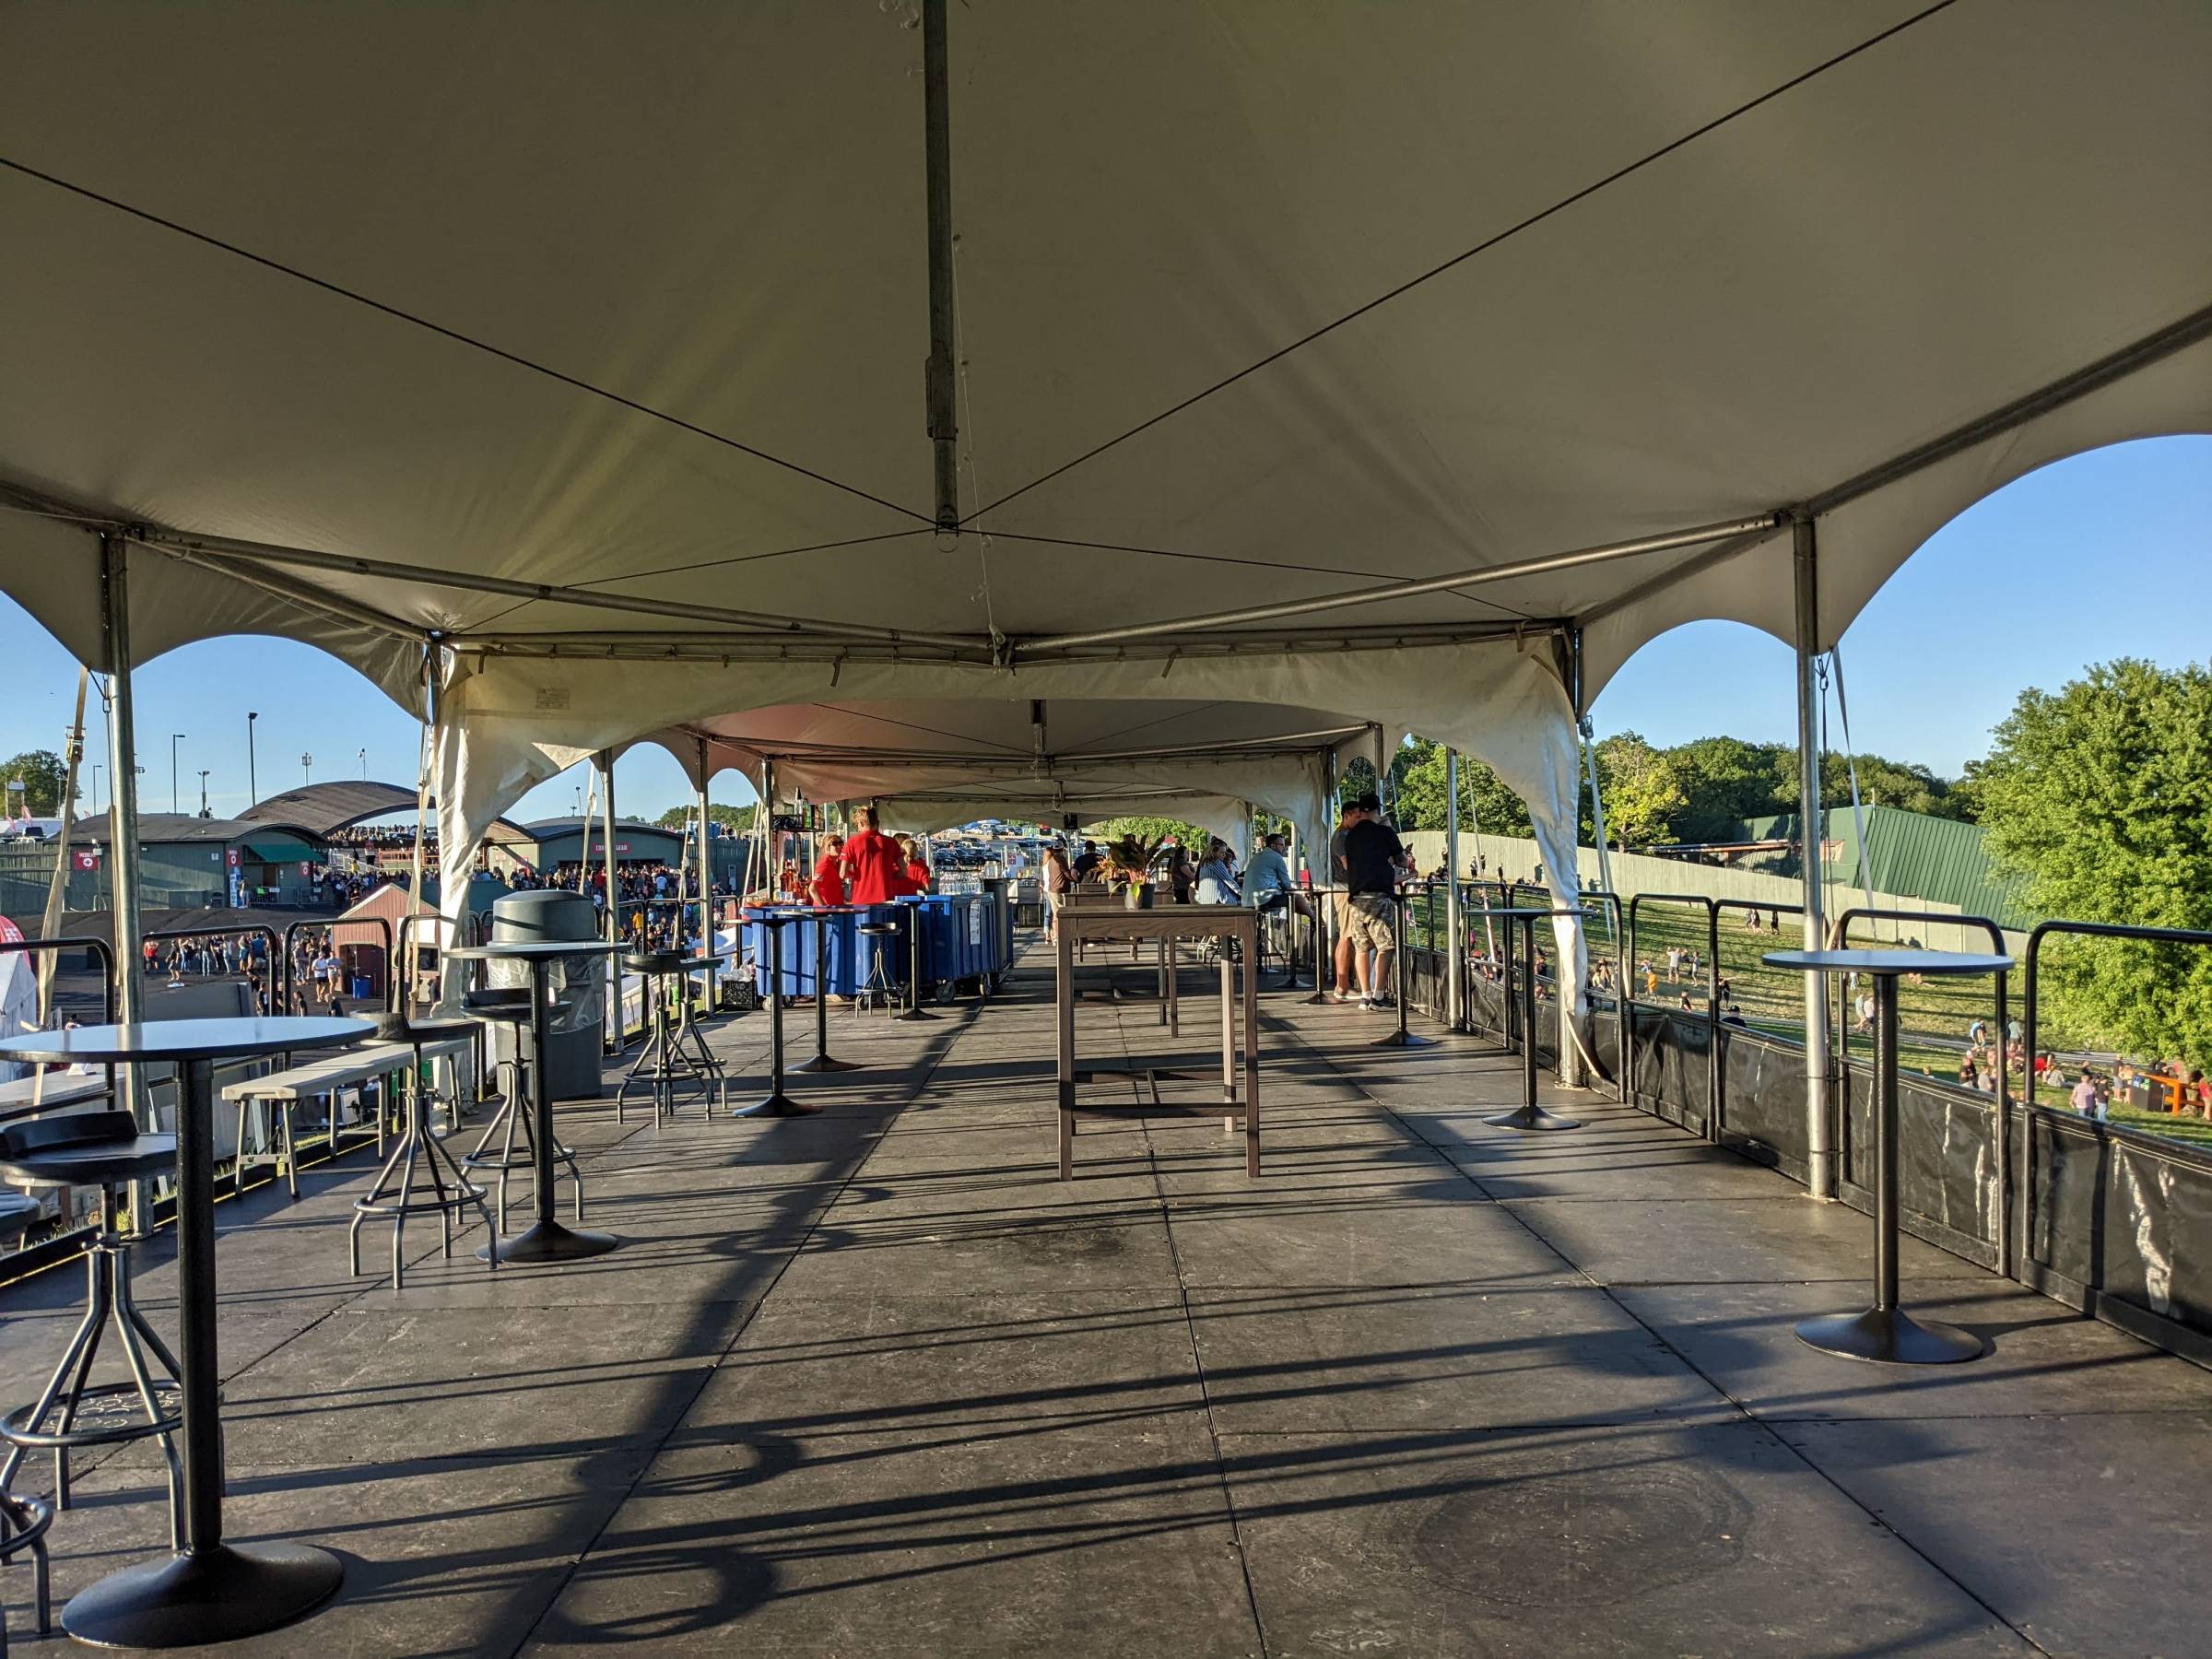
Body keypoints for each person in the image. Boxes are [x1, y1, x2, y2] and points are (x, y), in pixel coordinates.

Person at [1337, 791, 1407, 1010]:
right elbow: (1402, 860)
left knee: (1362, 947)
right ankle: (1379, 995)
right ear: (1377, 811)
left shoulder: (1350, 836)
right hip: (1378, 897)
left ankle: (1365, 995)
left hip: (1356, 898)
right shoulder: (1384, 832)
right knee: (1387, 946)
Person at [841, 806, 907, 906]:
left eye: (857, 825)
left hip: (861, 900)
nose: (858, 828)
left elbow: (842, 873)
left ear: (861, 823)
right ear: (877, 822)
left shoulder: (852, 842)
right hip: (886, 898)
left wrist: (857, 874)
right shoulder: (891, 842)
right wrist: (888, 875)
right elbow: (903, 871)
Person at [1195, 840, 1240, 905]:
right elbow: (1229, 881)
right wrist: (1241, 894)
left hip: (1205, 901)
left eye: (1225, 852)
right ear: (1214, 852)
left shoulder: (1205, 863)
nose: (1224, 855)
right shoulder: (1216, 862)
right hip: (1217, 902)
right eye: (1222, 852)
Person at [810, 835, 847, 907]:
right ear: (827, 848)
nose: (839, 846)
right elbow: (812, 888)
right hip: (826, 914)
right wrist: (824, 907)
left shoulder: (835, 863)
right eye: (835, 844)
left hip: (835, 909)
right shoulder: (825, 864)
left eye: (841, 843)